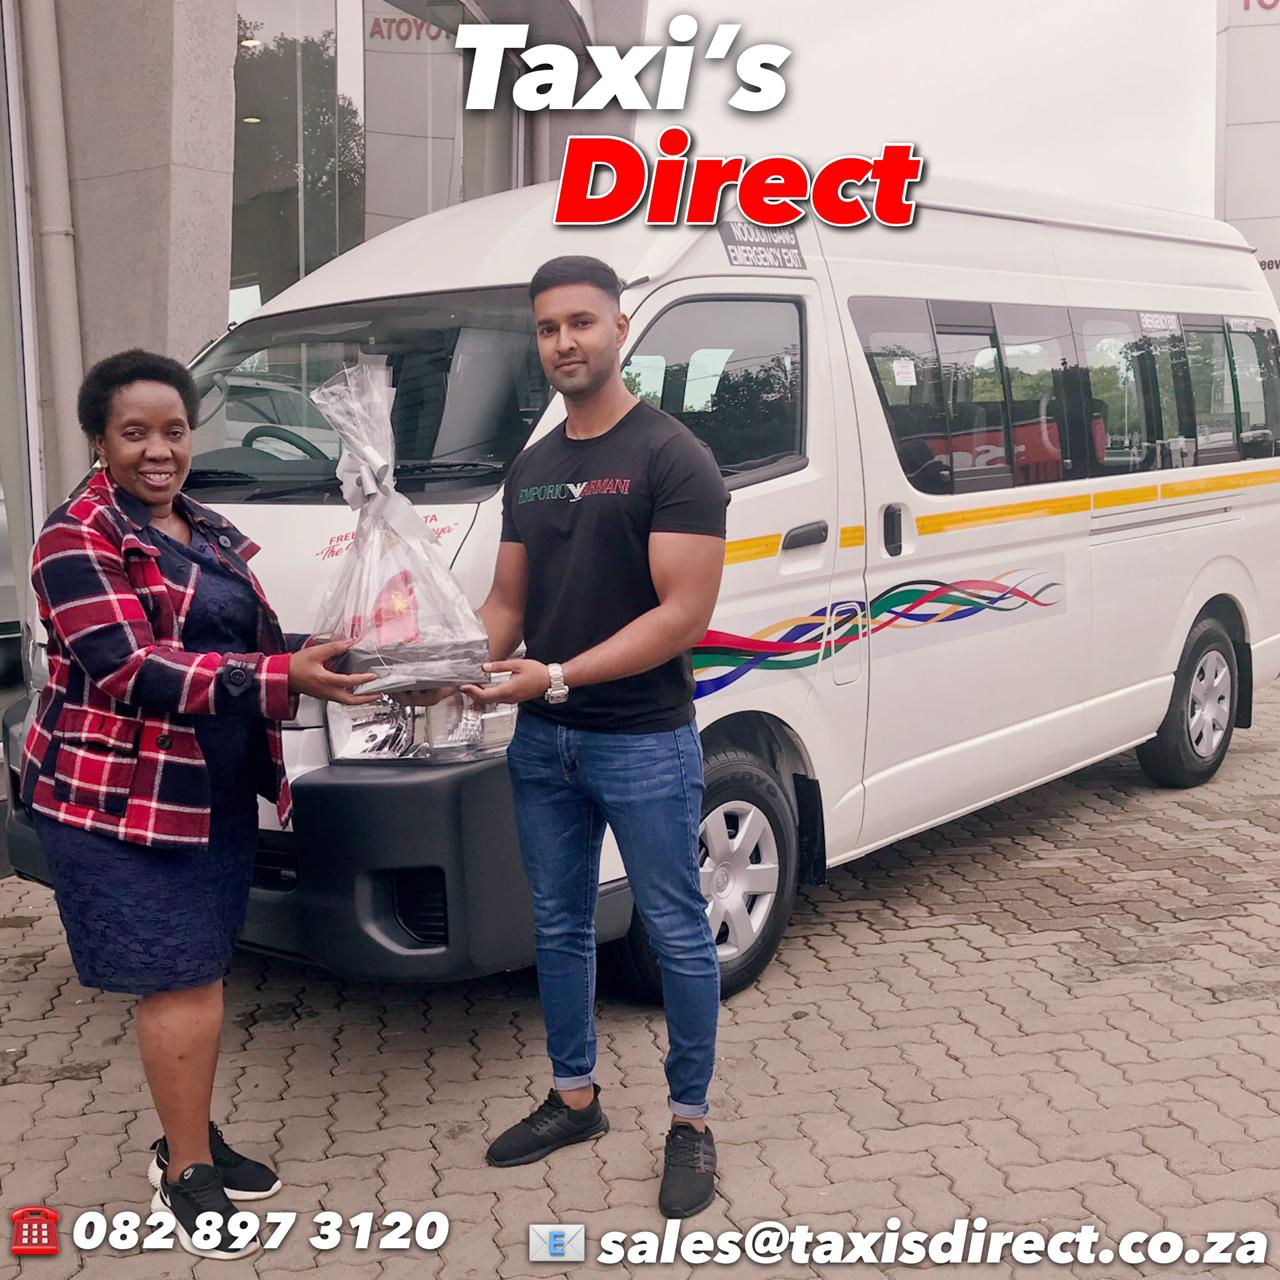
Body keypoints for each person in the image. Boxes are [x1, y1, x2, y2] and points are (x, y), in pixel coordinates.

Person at [18, 350, 381, 1259]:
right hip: (120, 802)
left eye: (174, 431)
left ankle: (190, 1135)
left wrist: (337, 648)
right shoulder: (75, 538)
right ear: (99, 440)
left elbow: (236, 637)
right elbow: (131, 667)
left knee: (204, 976)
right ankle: (185, 1172)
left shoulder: (201, 524)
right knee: (178, 981)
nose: (159, 450)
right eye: (134, 433)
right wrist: (281, 676)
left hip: (207, 791)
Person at [457, 255, 727, 1217]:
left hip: (641, 740)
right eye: (547, 328)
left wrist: (560, 674)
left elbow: (682, 615)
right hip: (544, 742)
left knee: (676, 931)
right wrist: (444, 667)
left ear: (619, 327)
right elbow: (505, 605)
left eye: (580, 322)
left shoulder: (673, 457)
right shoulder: (532, 467)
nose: (563, 342)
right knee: (560, 925)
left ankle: (689, 1122)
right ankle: (574, 1098)